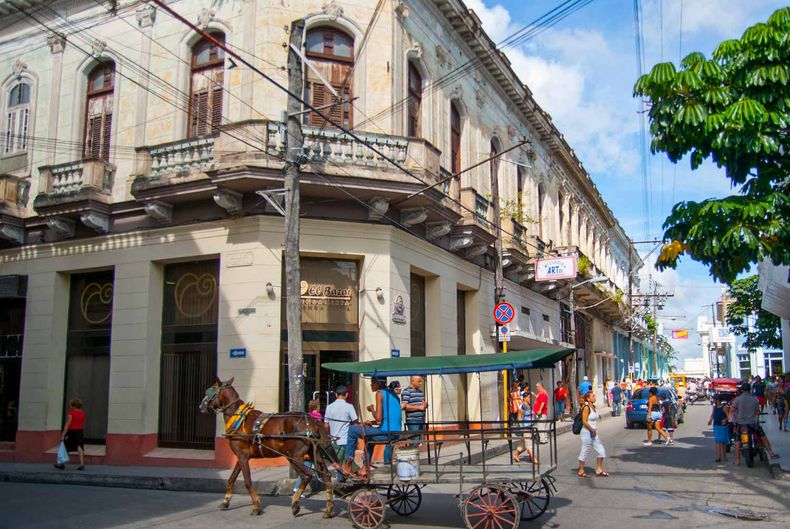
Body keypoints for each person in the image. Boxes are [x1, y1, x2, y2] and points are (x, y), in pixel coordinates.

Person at [341, 376, 401, 477]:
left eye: (373, 382)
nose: (371, 385)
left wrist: (372, 409)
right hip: (395, 433)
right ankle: (364, 468)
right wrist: (371, 422)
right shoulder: (394, 395)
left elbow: (378, 418)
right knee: (369, 438)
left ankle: (348, 462)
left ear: (379, 383)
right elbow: (384, 419)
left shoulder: (380, 393)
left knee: (352, 430)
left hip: (386, 433)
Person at [731, 382, 780, 464]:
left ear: (742, 390)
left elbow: (732, 410)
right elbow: (757, 412)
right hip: (753, 423)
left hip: (741, 424)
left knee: (738, 440)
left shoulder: (738, 399)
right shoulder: (754, 399)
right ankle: (770, 452)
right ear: (750, 389)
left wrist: (738, 414)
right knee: (762, 436)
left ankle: (737, 459)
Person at [294, 400, 323, 494]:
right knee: (312, 463)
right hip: (314, 443)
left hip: (306, 442)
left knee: (309, 465)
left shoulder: (307, 415)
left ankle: (297, 487)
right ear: (317, 407)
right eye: (319, 406)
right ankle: (322, 478)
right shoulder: (318, 416)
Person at [577, 389, 608, 477]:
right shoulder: (586, 407)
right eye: (593, 396)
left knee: (601, 450)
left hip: (593, 432)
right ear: (588, 398)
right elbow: (584, 421)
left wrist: (594, 431)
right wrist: (591, 429)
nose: (594, 397)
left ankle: (599, 469)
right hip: (587, 432)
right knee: (585, 450)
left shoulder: (593, 406)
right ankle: (581, 470)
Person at [324, 386, 358, 461]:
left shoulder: (329, 407)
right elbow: (355, 422)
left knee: (338, 463)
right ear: (346, 395)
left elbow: (326, 425)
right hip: (346, 440)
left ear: (336, 395)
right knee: (347, 463)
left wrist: (329, 436)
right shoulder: (349, 406)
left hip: (334, 441)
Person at [54, 397, 86, 471]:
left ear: (74, 405)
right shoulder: (82, 413)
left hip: (72, 431)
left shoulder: (71, 413)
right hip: (80, 431)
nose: (70, 406)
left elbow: (68, 424)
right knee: (80, 446)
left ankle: (62, 464)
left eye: (71, 405)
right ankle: (82, 464)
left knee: (65, 446)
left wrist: (63, 434)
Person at [708, 395, 730, 463]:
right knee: (718, 441)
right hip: (716, 425)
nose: (713, 400)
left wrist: (725, 420)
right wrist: (710, 420)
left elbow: (728, 416)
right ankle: (718, 457)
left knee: (723, 442)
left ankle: (724, 457)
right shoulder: (715, 407)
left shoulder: (724, 407)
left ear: (717, 400)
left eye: (714, 399)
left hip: (723, 426)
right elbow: (713, 414)